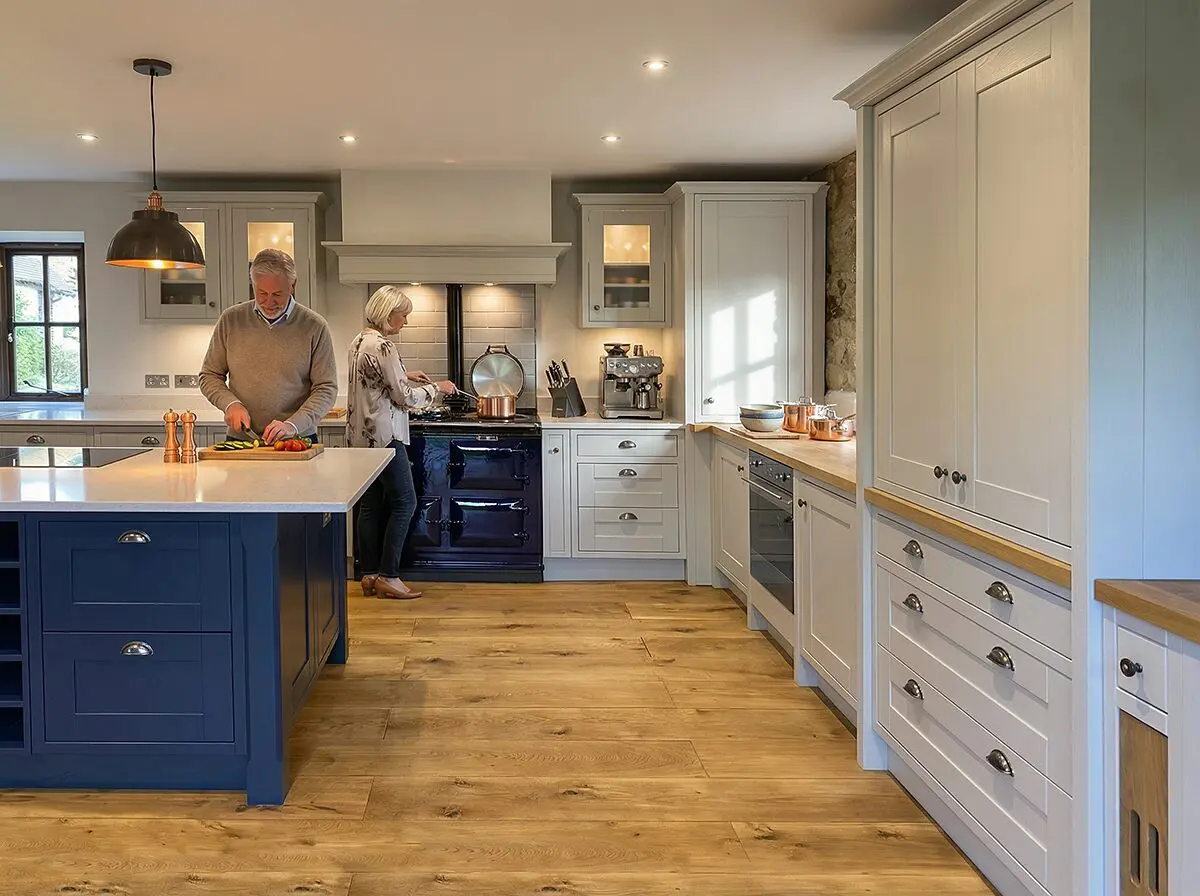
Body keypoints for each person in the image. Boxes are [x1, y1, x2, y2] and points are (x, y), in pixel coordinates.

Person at [348, 285, 457, 600]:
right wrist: (438, 387)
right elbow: (403, 398)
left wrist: (405, 374)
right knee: (405, 502)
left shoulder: (359, 341)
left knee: (369, 506)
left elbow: (376, 383)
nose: (405, 322)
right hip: (385, 438)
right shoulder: (383, 346)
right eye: (403, 315)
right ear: (388, 314)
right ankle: (390, 576)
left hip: (361, 438)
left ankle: (368, 575)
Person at [199, 248, 337, 444]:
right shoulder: (231, 320)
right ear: (253, 284)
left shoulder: (314, 326)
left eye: (277, 294)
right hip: (241, 441)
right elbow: (209, 376)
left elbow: (326, 388)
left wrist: (292, 425)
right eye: (261, 293)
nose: (269, 302)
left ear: (293, 286)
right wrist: (231, 405)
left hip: (296, 440)